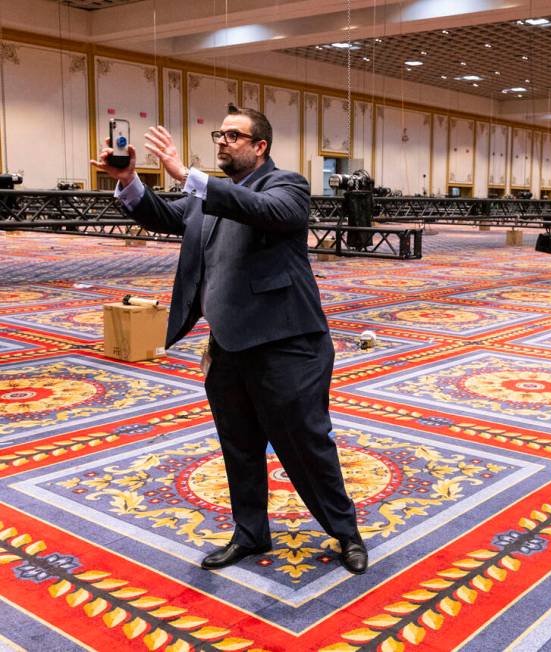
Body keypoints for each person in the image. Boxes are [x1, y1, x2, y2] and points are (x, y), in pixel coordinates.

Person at [91, 105, 367, 575]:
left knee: (306, 444)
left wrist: (188, 174)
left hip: (287, 345)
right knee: (238, 446)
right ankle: (250, 532)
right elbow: (162, 215)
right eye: (219, 133)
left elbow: (264, 211)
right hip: (228, 347)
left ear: (260, 146)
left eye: (234, 136)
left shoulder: (287, 186)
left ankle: (346, 533)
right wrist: (130, 180)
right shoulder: (207, 196)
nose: (222, 141)